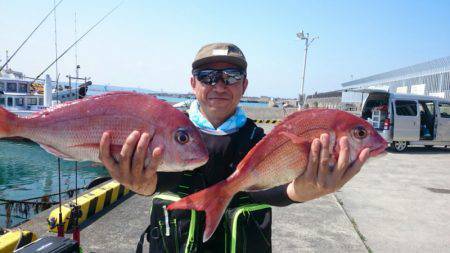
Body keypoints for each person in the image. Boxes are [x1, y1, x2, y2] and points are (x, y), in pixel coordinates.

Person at [98, 43, 371, 252]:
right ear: (192, 84)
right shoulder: (171, 132)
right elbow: (162, 180)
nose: (219, 84)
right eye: (207, 76)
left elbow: (267, 192)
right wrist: (142, 185)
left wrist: (303, 191)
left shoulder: (260, 140)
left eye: (231, 75)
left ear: (244, 85)